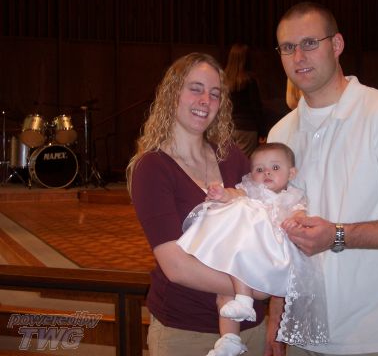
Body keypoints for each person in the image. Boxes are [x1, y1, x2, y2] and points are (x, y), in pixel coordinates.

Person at [266, 2, 378, 356]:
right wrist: (277, 309)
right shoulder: (281, 134)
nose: (298, 56)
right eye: (287, 47)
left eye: (309, 43)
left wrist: (337, 235)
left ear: (336, 45)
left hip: (375, 332)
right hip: (303, 328)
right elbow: (279, 233)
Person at [126, 53, 266, 356]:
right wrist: (254, 289)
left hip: (250, 328)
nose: (206, 100)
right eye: (196, 89)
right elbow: (176, 266)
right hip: (186, 331)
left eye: (215, 93)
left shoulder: (231, 156)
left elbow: (265, 220)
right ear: (173, 93)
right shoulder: (152, 167)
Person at [178, 142, 328, 355]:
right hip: (244, 252)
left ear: (291, 173)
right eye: (259, 169)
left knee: (234, 283)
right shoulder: (251, 190)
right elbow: (235, 193)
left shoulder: (292, 196)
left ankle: (244, 300)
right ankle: (229, 340)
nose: (267, 172)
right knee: (224, 296)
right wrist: (222, 194)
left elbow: (299, 214)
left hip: (268, 254)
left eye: (275, 167)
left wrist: (295, 221)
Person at [225, 43, 266, 156]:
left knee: (230, 161)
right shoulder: (249, 80)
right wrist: (263, 131)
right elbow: (256, 107)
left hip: (229, 127)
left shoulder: (224, 80)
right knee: (244, 163)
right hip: (247, 128)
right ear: (247, 59)